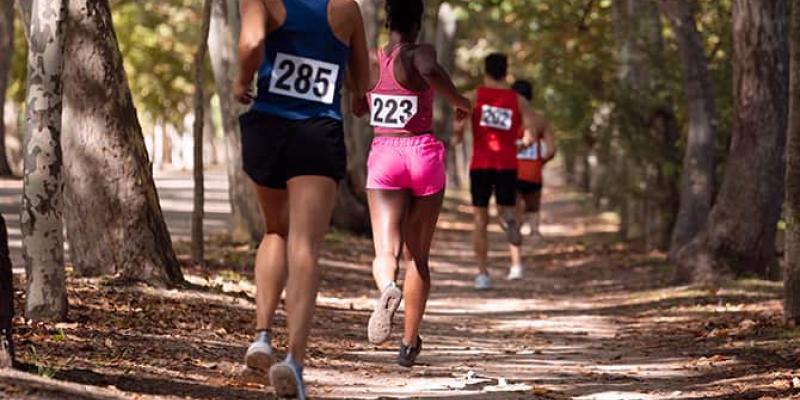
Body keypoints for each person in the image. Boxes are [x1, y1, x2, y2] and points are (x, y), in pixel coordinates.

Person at [233, 0, 370, 398]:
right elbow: (361, 84)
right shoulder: (347, 9)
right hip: (318, 131)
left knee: (275, 229)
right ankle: (294, 359)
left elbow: (253, 40)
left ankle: (261, 336)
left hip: (268, 126)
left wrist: (242, 80)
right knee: (305, 245)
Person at [362, 0, 470, 368]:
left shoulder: (375, 58)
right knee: (417, 258)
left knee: (385, 254)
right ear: (419, 21)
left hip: (385, 156)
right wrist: (461, 101)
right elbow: (429, 69)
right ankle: (408, 345)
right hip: (422, 154)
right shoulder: (420, 52)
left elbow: (360, 106)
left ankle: (388, 290)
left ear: (389, 19)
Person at [453, 53, 537, 290]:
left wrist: (458, 132)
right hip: (507, 165)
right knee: (506, 209)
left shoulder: (473, 98)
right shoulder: (518, 101)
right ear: (506, 71)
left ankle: (482, 273)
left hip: (480, 165)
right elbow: (529, 137)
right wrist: (520, 144)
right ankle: (509, 219)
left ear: (485, 71)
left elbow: (457, 134)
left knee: (480, 220)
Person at [508, 79, 555, 280]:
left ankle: (516, 265)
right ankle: (534, 231)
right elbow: (552, 150)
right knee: (533, 212)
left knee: (512, 220)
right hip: (533, 174)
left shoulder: (506, 120)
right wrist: (539, 162)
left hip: (509, 174)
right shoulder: (540, 120)